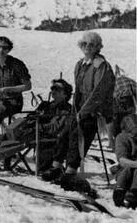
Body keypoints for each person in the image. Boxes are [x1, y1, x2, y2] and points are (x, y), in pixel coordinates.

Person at [42, 31, 115, 190]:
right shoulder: (81, 64)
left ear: (97, 47)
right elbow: (79, 90)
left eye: (90, 45)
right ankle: (56, 167)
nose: (86, 47)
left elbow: (99, 93)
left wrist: (84, 112)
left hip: (95, 111)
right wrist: (76, 110)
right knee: (65, 134)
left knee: (78, 135)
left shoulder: (101, 65)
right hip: (79, 108)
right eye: (83, 44)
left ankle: (70, 172)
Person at [0, 79, 72, 171]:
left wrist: (37, 126)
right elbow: (32, 116)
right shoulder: (46, 105)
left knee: (13, 142)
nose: (53, 91)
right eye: (53, 88)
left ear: (65, 94)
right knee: (3, 137)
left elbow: (55, 127)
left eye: (57, 89)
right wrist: (28, 122)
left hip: (42, 135)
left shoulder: (66, 110)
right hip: (30, 130)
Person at [113, 114, 137, 208]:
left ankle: (134, 193)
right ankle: (119, 191)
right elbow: (122, 160)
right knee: (127, 169)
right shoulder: (122, 138)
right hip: (126, 169)